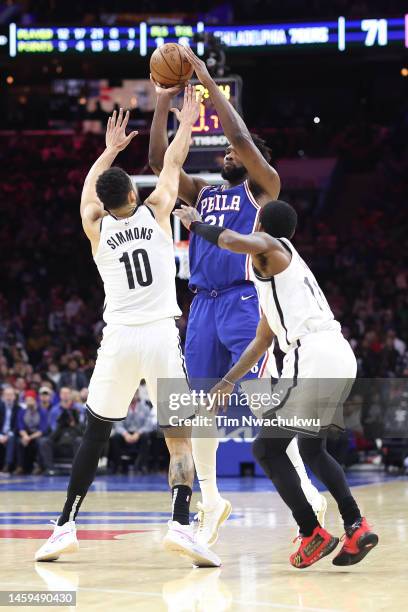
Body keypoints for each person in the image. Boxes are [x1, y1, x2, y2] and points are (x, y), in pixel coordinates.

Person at [35, 87, 219, 568]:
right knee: (178, 438)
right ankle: (181, 524)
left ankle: (63, 527)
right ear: (134, 194)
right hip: (160, 334)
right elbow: (174, 162)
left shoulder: (96, 226)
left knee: (95, 434)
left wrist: (110, 149)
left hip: (118, 338)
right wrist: (187, 121)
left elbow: (87, 196)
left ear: (105, 200)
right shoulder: (158, 211)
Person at [149, 46, 325, 546]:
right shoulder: (203, 191)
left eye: (233, 154)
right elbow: (159, 162)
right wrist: (163, 102)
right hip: (201, 304)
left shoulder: (264, 187)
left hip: (245, 301)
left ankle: (308, 495)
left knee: (266, 405)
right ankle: (211, 500)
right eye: (225, 155)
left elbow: (239, 136)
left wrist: (204, 79)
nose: (226, 155)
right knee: (196, 408)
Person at [175, 200, 379, 568]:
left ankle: (311, 531)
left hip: (313, 354)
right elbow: (259, 343)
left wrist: (195, 224)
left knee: (267, 451)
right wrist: (226, 382)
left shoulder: (273, 245)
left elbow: (230, 241)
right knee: (314, 450)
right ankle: (356, 524)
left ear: (261, 226)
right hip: (337, 355)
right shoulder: (277, 280)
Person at [109, 391, 155, 474]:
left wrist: (138, 433)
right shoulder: (121, 407)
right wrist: (125, 434)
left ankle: (141, 465)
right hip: (126, 434)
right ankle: (119, 465)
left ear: (138, 395)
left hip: (139, 433)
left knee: (146, 436)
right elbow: (118, 425)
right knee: (115, 437)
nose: (133, 395)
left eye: (135, 393)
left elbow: (149, 425)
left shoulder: (145, 408)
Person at [15, 390, 47, 474]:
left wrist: (30, 438)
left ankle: (39, 466)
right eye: (27, 400)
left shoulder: (42, 411)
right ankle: (20, 466)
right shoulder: (22, 412)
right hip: (26, 433)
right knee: (19, 442)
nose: (29, 402)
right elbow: (20, 426)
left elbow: (42, 429)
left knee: (39, 442)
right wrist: (25, 436)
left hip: (37, 434)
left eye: (31, 400)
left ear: (35, 400)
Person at [0, 386, 21, 473]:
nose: (8, 397)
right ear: (3, 397)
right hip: (0, 433)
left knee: (12, 439)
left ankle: (7, 465)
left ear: (14, 397)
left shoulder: (19, 408)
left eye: (10, 395)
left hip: (12, 433)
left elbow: (17, 425)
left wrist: (8, 435)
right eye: (6, 395)